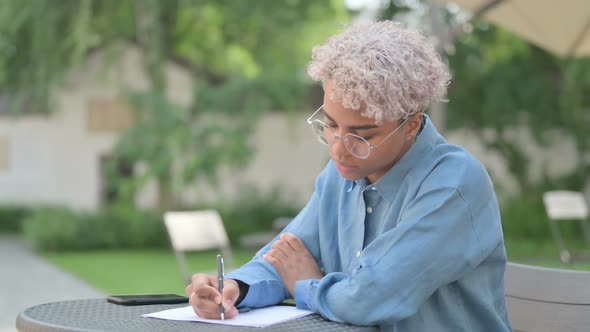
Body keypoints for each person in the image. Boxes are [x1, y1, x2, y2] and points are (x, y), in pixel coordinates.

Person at [186, 20, 513, 331]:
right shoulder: (341, 175)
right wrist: (234, 287)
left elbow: (370, 297)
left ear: (411, 125)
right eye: (330, 125)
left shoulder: (453, 185)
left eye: (363, 135)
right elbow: (285, 255)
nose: (339, 149)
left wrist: (305, 284)